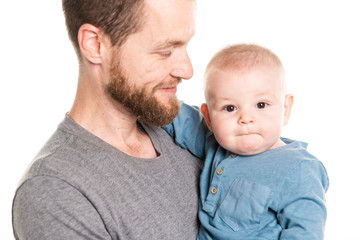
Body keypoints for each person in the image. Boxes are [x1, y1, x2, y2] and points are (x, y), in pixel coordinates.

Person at [12, 0, 202, 239]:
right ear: (95, 44)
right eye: (164, 51)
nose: (187, 70)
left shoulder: (192, 131)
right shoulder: (55, 191)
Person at [164, 44, 329, 239]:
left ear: (285, 108)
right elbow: (170, 113)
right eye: (230, 108)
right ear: (209, 118)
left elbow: (306, 233)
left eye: (261, 105)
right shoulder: (214, 144)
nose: (246, 118)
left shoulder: (299, 169)